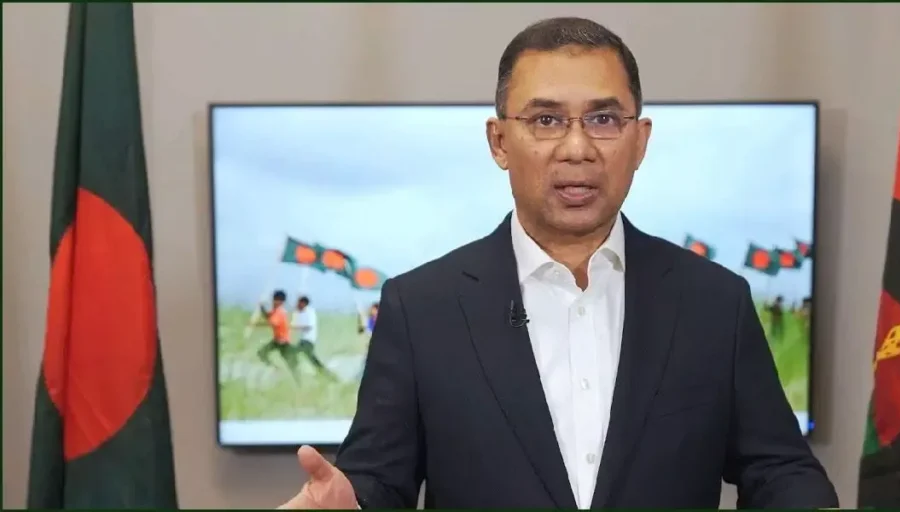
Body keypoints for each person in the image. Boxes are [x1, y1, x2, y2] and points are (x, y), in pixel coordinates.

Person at [279, 17, 838, 509]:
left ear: (640, 141)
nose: (577, 148)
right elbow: (379, 480)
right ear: (499, 141)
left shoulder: (714, 301)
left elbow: (779, 470)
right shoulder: (422, 307)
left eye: (604, 119)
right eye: (546, 120)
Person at [256, 290, 299, 381]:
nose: (273, 302)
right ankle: (277, 369)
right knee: (261, 353)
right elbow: (268, 316)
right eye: (273, 299)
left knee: (292, 365)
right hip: (276, 341)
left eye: (275, 300)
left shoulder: (280, 312)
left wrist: (259, 322)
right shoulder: (275, 311)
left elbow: (272, 322)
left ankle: (299, 382)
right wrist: (262, 307)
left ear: (281, 302)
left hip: (283, 343)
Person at [292, 295, 334, 379]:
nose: (297, 304)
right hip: (304, 340)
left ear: (303, 303)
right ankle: (324, 373)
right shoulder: (302, 312)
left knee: (295, 354)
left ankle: (325, 373)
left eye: (299, 303)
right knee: (310, 358)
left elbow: (309, 326)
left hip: (308, 341)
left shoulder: (310, 312)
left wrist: (295, 327)